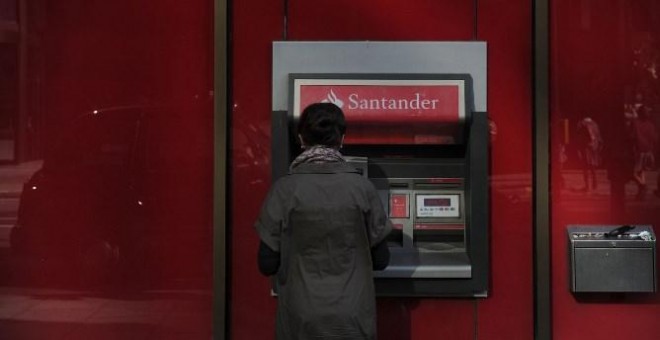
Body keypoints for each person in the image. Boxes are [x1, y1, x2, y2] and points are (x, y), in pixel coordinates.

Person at [255, 102, 392, 340]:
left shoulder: (284, 190)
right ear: (341, 139)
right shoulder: (362, 188)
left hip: (301, 315)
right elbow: (381, 260)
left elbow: (267, 264)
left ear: (301, 138)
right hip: (352, 316)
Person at [575, 117, 603, 191]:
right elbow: (599, 136)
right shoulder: (594, 124)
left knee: (585, 166)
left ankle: (587, 186)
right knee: (592, 166)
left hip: (586, 147)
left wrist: (579, 149)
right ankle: (595, 183)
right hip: (594, 147)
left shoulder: (582, 124)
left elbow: (579, 137)